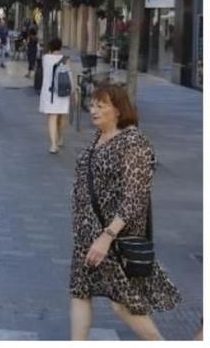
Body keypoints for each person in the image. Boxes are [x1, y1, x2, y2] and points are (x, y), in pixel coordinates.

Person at [69, 85, 180, 340]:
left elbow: (135, 198)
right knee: (80, 291)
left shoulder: (133, 142)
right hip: (86, 234)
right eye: (92, 104)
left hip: (115, 237)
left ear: (118, 110)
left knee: (123, 303)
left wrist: (106, 237)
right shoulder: (99, 137)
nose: (93, 110)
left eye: (101, 105)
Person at [39, 37, 72, 154]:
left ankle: (53, 144)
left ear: (49, 47)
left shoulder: (45, 58)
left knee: (52, 117)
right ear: (60, 47)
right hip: (63, 91)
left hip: (50, 92)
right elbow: (69, 75)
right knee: (62, 115)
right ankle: (60, 138)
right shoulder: (66, 59)